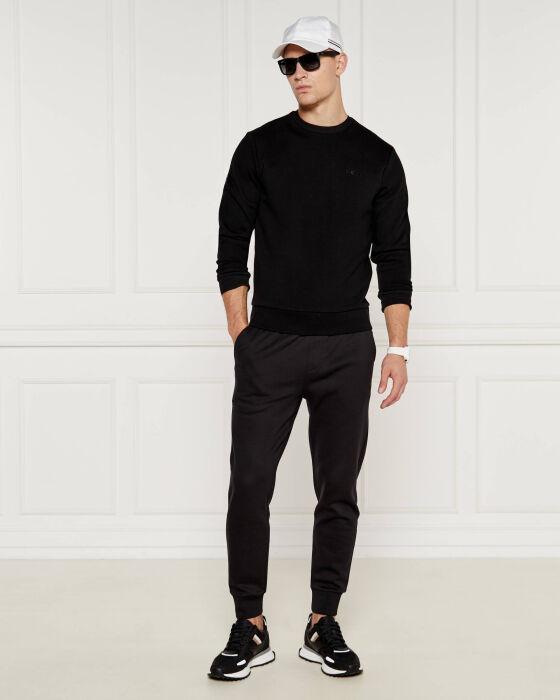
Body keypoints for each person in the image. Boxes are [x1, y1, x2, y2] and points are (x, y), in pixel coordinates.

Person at [208, 15, 412, 681]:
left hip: (347, 348)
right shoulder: (260, 148)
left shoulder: (378, 158)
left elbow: (394, 262)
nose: (297, 74)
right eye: (287, 64)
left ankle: (323, 621)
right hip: (270, 344)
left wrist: (398, 349)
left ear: (340, 63)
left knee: (338, 490)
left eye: (309, 61)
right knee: (249, 484)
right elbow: (231, 247)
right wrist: (244, 337)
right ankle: (249, 623)